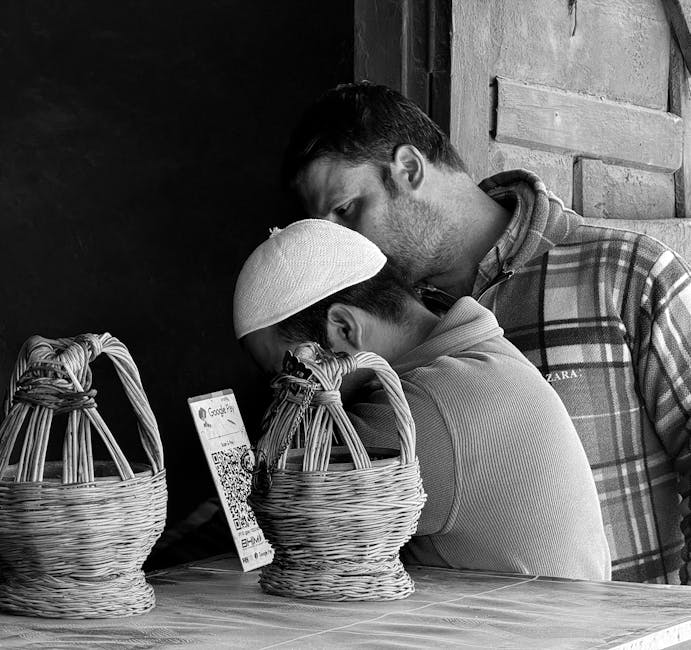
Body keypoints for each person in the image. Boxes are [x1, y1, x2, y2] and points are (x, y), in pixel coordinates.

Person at [279, 82, 691, 584]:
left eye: (345, 211)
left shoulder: (625, 273)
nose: (338, 245)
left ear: (408, 169)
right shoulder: (390, 331)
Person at [233, 218, 612, 581]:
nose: (286, 393)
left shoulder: (428, 405)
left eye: (290, 373)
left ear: (343, 329)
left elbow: (287, 519)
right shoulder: (480, 359)